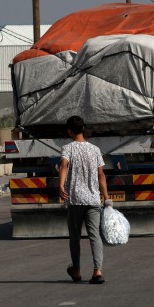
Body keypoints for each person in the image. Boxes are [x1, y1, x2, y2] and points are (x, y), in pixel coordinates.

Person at [57, 115, 110, 284]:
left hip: (75, 200)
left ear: (70, 131)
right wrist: (107, 198)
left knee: (75, 237)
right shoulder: (94, 150)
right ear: (83, 129)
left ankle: (77, 271)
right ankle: (98, 271)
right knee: (95, 236)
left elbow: (64, 165)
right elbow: (101, 174)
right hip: (93, 199)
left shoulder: (68, 148)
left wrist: (61, 186)